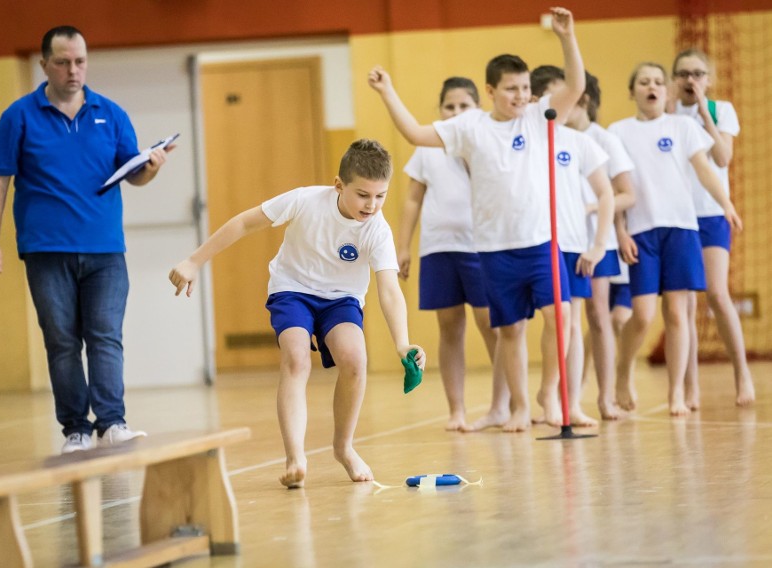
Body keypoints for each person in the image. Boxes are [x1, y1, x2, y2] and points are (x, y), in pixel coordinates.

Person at [369, 6, 584, 432]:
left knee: (561, 316)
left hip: (539, 241)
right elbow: (414, 133)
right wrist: (387, 91)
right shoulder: (470, 127)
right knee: (511, 331)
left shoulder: (539, 118)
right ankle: (521, 406)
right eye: (511, 89)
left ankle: (549, 393)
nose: (521, 95)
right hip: (494, 249)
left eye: (525, 88)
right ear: (490, 91)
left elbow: (575, 85)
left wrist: (566, 38)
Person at [169, 139, 425, 488]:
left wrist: (402, 343)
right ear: (339, 185)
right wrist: (194, 261)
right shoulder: (305, 200)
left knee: (354, 360)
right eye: (363, 194)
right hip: (293, 290)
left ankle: (344, 447)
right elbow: (244, 223)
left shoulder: (377, 230)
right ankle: (295, 457)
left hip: (341, 299)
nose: (372, 205)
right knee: (296, 358)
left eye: (380, 196)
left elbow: (389, 289)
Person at [0, 26, 172, 454]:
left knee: (105, 336)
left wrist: (151, 166)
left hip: (105, 251)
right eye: (62, 62)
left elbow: (132, 174)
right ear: (44, 64)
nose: (73, 70)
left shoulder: (111, 114)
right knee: (62, 339)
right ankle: (75, 430)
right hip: (45, 250)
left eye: (80, 61)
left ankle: (112, 422)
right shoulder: (18, 117)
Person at [608, 62, 742, 416]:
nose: (651, 87)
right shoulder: (618, 131)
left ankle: (676, 395)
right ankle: (623, 373)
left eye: (657, 82)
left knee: (678, 314)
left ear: (666, 91)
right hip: (641, 232)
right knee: (641, 315)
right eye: (643, 82)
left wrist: (726, 204)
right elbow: (616, 188)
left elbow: (705, 168)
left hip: (681, 229)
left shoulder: (683, 127)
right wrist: (620, 231)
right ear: (632, 91)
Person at [396, 77, 506, 432]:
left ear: (478, 109)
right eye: (449, 107)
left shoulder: (484, 143)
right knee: (449, 327)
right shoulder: (428, 149)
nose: (456, 113)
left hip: (479, 245)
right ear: (440, 111)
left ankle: (502, 404)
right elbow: (413, 198)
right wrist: (403, 245)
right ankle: (456, 409)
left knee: (491, 324)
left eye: (464, 107)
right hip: (438, 247)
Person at [539, 67, 638, 421]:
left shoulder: (599, 139)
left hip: (595, 240)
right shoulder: (539, 136)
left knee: (597, 316)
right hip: (558, 239)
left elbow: (624, 194)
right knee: (572, 318)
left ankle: (604, 396)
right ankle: (567, 397)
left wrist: (599, 217)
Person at [530, 65, 615, 427]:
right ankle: (538, 395)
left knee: (572, 321)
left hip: (573, 244)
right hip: (536, 242)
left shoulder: (579, 142)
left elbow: (606, 193)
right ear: (537, 101)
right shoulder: (526, 140)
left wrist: (598, 245)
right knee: (542, 324)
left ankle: (572, 401)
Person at [670, 48, 755, 408]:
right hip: (678, 215)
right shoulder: (665, 113)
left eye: (698, 73)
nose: (691, 80)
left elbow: (722, 158)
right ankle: (690, 388)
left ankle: (742, 375)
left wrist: (703, 109)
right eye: (684, 73)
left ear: (709, 78)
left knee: (717, 294)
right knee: (684, 304)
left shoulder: (722, 110)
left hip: (710, 213)